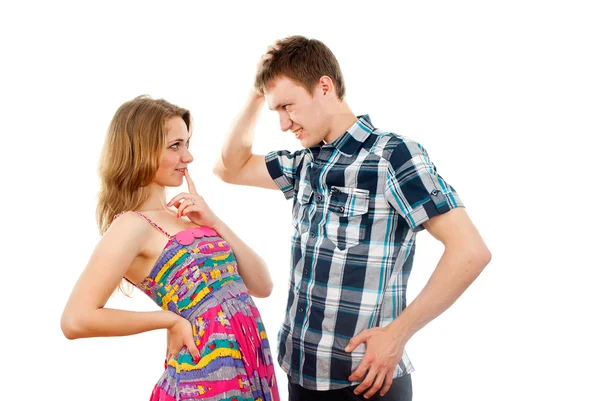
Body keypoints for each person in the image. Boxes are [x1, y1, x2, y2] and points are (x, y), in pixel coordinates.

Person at [213, 36, 492, 401]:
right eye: (274, 111)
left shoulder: (391, 155)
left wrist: (397, 334)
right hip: (300, 374)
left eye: (287, 106)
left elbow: (470, 251)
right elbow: (228, 168)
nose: (283, 124)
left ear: (324, 87)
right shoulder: (303, 163)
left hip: (365, 383)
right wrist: (256, 91)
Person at [61, 95, 280, 401]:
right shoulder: (131, 225)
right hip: (205, 377)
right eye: (175, 146)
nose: (188, 157)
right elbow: (75, 320)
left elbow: (263, 285)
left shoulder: (189, 216)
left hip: (249, 364)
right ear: (140, 150)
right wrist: (168, 320)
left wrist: (215, 222)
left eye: (187, 144)